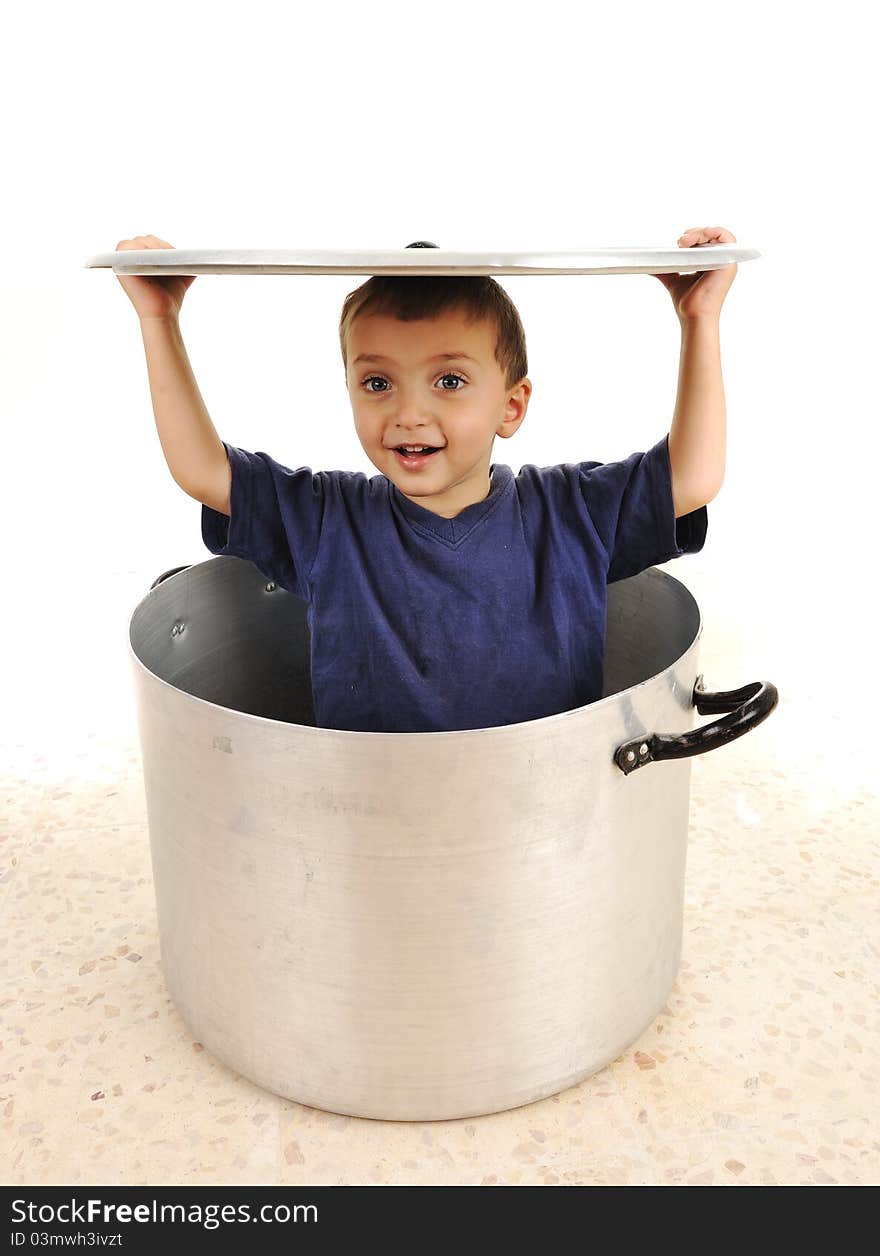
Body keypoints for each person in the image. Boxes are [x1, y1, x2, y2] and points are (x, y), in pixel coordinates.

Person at [116, 229, 735, 733]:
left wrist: (697, 317)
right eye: (378, 383)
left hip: (547, 820)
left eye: (449, 381)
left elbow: (693, 477)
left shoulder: (571, 512)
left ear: (511, 407)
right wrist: (159, 318)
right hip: (364, 826)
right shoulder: (327, 519)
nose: (408, 413)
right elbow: (203, 472)